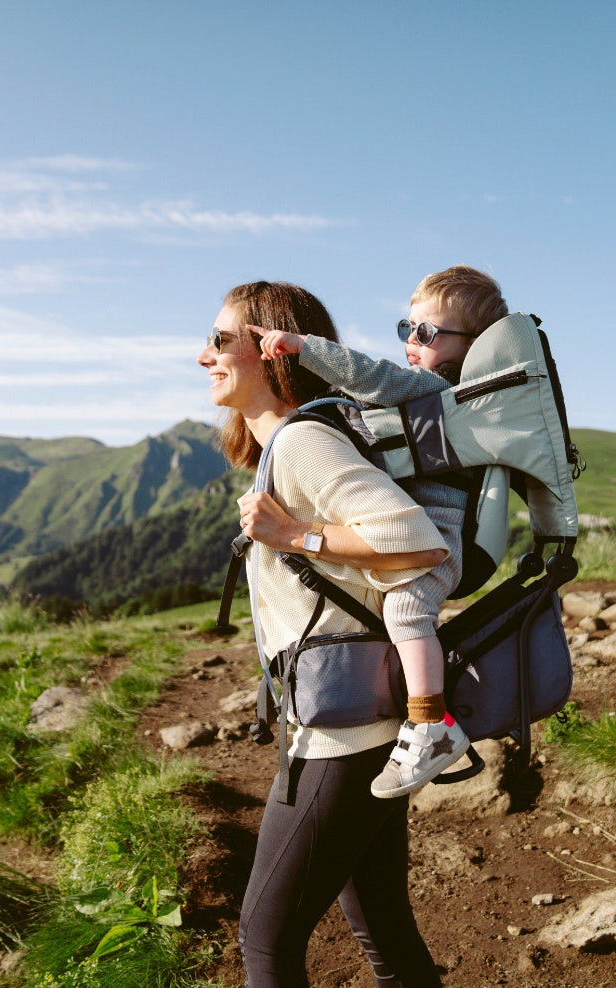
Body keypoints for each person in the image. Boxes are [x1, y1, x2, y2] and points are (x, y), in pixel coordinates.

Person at [198, 280, 448, 987]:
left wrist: (295, 534)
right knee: (384, 931)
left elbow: (416, 540)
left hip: (342, 737)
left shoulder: (304, 439)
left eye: (221, 340)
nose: (203, 356)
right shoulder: (288, 444)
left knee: (265, 940)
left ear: (271, 349)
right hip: (357, 719)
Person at [249, 265, 509, 799]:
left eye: (428, 333)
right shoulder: (448, 404)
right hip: (432, 533)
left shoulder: (439, 390)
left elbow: (374, 379)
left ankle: (430, 725)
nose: (412, 343)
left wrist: (303, 347)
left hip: (437, 540)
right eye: (407, 329)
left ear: (473, 347)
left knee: (405, 610)